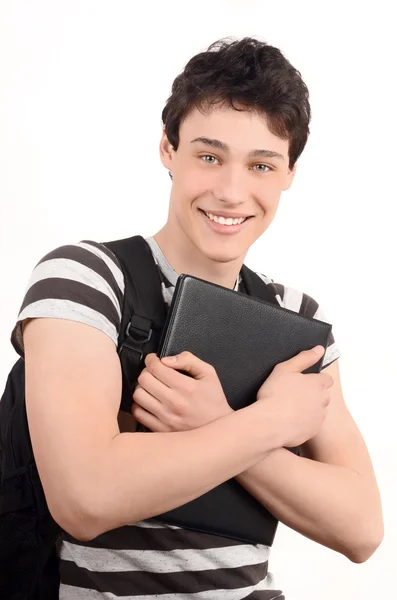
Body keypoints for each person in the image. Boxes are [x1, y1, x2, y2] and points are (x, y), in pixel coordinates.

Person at [13, 37, 383, 599]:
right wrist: (266, 424)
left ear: (289, 174)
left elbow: (361, 528)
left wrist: (210, 422)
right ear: (168, 148)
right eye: (209, 156)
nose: (231, 192)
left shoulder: (296, 317)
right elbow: (86, 497)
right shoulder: (87, 278)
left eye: (261, 165)